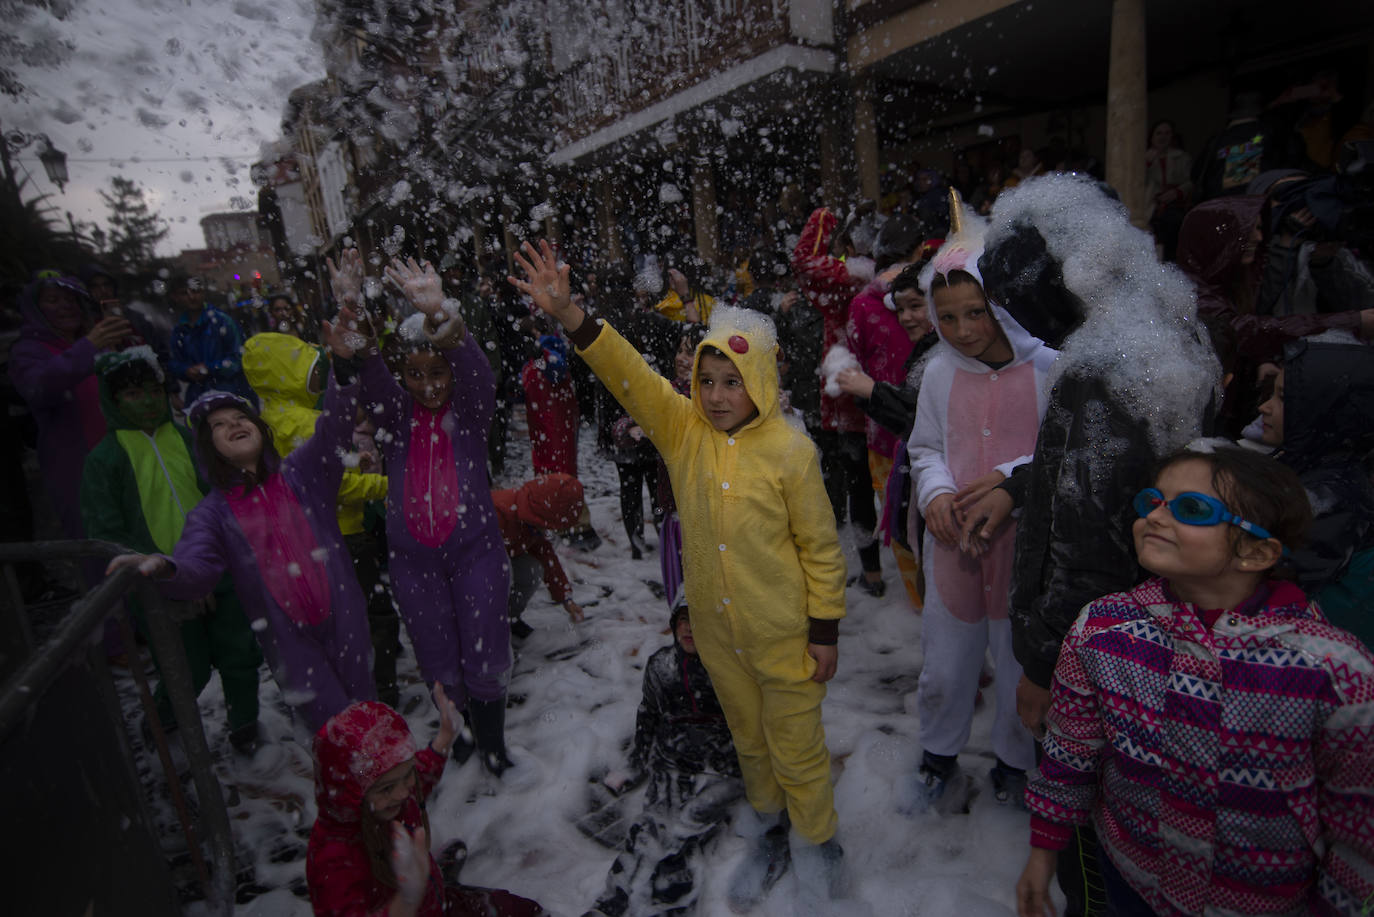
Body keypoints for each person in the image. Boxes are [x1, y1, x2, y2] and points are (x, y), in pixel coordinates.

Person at [510, 241, 848, 913]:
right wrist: (573, 316)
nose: (719, 396)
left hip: (784, 637)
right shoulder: (684, 430)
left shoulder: (790, 451)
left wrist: (824, 629)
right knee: (751, 743)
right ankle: (771, 823)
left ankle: (818, 844)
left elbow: (820, 548)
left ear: (763, 383)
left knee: (799, 748)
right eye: (710, 380)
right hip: (720, 636)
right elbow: (627, 374)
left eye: (734, 382)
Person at [959, 174, 1219, 916]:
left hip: (1098, 655)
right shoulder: (1173, 327)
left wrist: (1045, 666)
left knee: (1093, 839)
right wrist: (1022, 483)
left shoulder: (1101, 371)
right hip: (1164, 633)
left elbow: (1086, 541)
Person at [1015, 446, 1374, 917]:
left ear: (1256, 551)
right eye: (1153, 501)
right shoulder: (1104, 631)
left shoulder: (1331, 672)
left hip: (1263, 905)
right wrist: (1044, 849)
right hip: (1132, 879)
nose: (1157, 516)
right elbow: (1070, 751)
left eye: (1191, 508)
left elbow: (1357, 823)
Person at [104, 309, 377, 732]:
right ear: (207, 447)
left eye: (240, 418)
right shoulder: (212, 513)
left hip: (345, 617)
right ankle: (349, 794)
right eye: (218, 425)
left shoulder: (300, 474)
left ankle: (388, 792)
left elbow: (335, 430)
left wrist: (342, 367)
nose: (232, 425)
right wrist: (165, 568)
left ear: (259, 428)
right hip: (289, 641)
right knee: (333, 730)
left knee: (367, 712)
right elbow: (196, 571)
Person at [334, 252, 522, 778]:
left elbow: (476, 370)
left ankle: (492, 744)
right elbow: (370, 373)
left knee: (485, 650)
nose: (428, 385)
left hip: (476, 554)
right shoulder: (394, 417)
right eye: (414, 375)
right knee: (437, 656)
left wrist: (442, 318)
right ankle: (456, 736)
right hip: (414, 564)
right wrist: (349, 305)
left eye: (437, 373)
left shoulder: (471, 411)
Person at [906, 218, 1057, 811]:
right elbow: (925, 449)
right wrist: (937, 494)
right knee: (945, 669)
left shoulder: (1049, 368)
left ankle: (1017, 763)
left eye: (977, 312)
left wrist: (1013, 483)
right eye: (948, 317)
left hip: (1026, 557)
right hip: (955, 553)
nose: (963, 330)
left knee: (1021, 666)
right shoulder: (940, 374)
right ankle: (938, 753)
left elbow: (1057, 455)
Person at [80, 346, 264, 752]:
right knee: (186, 667)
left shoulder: (186, 437)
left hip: (221, 569)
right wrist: (167, 576)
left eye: (152, 390)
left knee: (239, 655)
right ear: (113, 401)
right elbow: (107, 532)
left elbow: (221, 491)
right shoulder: (106, 459)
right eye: (132, 395)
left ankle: (245, 723)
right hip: (159, 584)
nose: (146, 402)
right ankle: (165, 717)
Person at [242, 331, 400, 706]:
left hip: (309, 537)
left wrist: (351, 463)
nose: (318, 377)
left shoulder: (272, 418)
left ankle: (348, 688)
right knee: (373, 616)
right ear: (287, 375)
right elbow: (333, 484)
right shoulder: (301, 422)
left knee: (337, 619)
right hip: (343, 531)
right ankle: (379, 694)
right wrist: (384, 485)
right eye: (311, 370)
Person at [307, 693, 545, 917]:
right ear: (351, 794)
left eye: (406, 775)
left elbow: (420, 772)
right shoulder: (334, 861)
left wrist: (444, 737)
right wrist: (407, 901)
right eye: (387, 788)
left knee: (510, 907)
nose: (403, 792)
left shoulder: (387, 798)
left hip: (437, 901)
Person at [586, 605, 744, 917]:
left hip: (718, 768)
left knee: (683, 831)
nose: (689, 629)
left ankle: (671, 904)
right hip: (672, 760)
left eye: (697, 622)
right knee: (648, 828)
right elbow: (649, 715)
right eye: (683, 621)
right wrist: (637, 761)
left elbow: (747, 723)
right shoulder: (661, 665)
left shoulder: (729, 667)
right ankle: (613, 899)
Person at [1255, 339, 1374, 649]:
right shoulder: (1307, 463)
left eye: (1282, 398)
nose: (1263, 407)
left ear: (1320, 411)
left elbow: (1277, 588)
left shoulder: (1334, 497)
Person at [792, 206, 884, 598]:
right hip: (895, 393)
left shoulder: (849, 281)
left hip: (850, 400)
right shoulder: (898, 278)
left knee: (857, 484)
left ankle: (873, 572)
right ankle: (914, 574)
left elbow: (803, 261)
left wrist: (822, 218)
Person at [8, 272, 130, 544]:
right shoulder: (29, 351)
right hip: (78, 470)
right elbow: (39, 388)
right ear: (36, 309)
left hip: (119, 459)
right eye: (53, 300)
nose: (66, 306)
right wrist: (88, 348)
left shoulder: (92, 341)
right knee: (99, 548)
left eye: (71, 300)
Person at [492, 473, 587, 639]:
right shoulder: (499, 514)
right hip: (472, 568)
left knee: (532, 570)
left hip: (504, 557)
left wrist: (565, 598)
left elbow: (546, 556)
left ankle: (509, 618)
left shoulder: (532, 519)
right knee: (498, 580)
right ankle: (487, 629)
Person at [167, 275, 255, 405]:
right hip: (199, 399)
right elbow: (175, 363)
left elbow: (240, 359)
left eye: (195, 291)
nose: (192, 297)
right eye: (184, 293)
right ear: (176, 297)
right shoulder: (179, 330)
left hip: (233, 395)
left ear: (203, 292)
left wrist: (210, 368)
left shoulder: (223, 322)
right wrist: (186, 370)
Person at [1144, 120, 1193, 262]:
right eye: (1159, 133)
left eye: (1167, 133)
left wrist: (1176, 192)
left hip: (1174, 206)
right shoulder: (1142, 158)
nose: (1162, 137)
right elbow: (1135, 181)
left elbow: (1190, 181)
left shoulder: (1182, 157)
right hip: (1150, 207)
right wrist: (1146, 163)